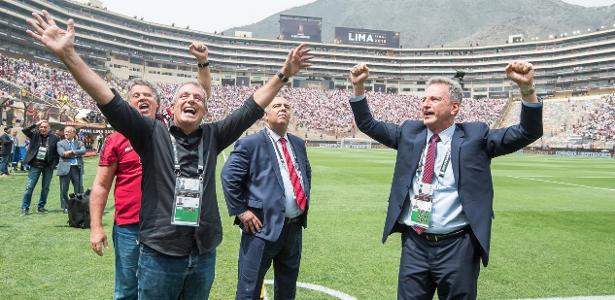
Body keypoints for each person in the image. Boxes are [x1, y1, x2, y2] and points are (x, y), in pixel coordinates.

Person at [26, 9, 312, 299]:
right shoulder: (150, 133)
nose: (191, 100)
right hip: (160, 253)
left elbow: (251, 107)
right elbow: (107, 99)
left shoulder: (214, 135)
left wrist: (284, 74)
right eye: (183, 97)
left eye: (198, 98)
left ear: (205, 110)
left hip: (203, 253)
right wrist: (69, 56)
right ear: (172, 109)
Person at [348, 61, 542, 299]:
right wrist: (358, 88)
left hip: (458, 246)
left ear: (454, 107)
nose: (425, 104)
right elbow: (368, 123)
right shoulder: (409, 132)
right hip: (415, 244)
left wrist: (527, 89)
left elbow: (527, 132)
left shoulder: (475, 136)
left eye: (434, 99)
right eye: (423, 99)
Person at [89, 42, 212, 300]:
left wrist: (202, 62)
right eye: (136, 96)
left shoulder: (171, 131)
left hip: (164, 228)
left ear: (159, 103)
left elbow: (201, 97)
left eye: (148, 95)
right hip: (129, 225)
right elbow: (101, 185)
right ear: (127, 104)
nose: (142, 98)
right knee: (126, 290)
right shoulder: (117, 139)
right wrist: (96, 226)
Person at [222, 96, 312, 299]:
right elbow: (228, 177)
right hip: (261, 228)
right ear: (266, 114)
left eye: (287, 106)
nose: (282, 109)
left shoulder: (297, 143)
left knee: (287, 287)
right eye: (277, 106)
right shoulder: (250, 143)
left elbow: (306, 173)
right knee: (249, 288)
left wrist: (302, 206)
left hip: (293, 228)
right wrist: (242, 211)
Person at [20, 120, 60, 215]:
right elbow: (24, 130)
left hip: (48, 167)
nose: (43, 129)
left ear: (49, 129)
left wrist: (54, 164)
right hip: (35, 165)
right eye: (41, 127)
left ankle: (41, 207)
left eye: (45, 127)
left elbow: (57, 153)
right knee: (29, 187)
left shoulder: (55, 138)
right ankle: (25, 207)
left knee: (45, 188)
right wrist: (37, 123)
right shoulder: (34, 135)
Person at [56, 126, 86, 213]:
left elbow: (83, 151)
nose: (66, 133)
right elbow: (62, 153)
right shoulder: (60, 143)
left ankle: (79, 206)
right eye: (65, 131)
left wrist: (72, 152)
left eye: (68, 132)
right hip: (65, 168)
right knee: (64, 189)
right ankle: (66, 207)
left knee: (79, 188)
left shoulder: (79, 143)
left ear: (74, 133)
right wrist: (76, 152)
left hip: (77, 168)